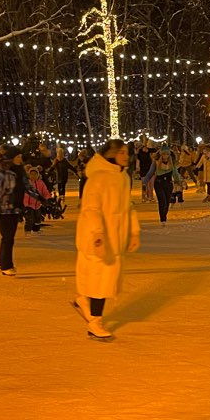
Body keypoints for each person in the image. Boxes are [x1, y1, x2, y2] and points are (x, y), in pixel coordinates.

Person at [72, 139, 140, 341]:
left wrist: (134, 232)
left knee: (103, 279)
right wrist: (98, 235)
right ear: (111, 155)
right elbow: (91, 209)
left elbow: (127, 207)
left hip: (115, 237)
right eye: (122, 153)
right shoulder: (98, 178)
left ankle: (84, 300)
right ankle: (95, 321)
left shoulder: (123, 178)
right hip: (97, 238)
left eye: (127, 153)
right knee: (101, 280)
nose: (126, 157)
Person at [0, 146, 30, 276]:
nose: (20, 159)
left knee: (9, 237)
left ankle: (3, 262)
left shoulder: (19, 171)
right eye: (18, 157)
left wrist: (42, 198)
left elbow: (27, 186)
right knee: (8, 237)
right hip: (2, 209)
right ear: (11, 158)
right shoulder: (0, 172)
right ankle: (6, 265)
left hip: (15, 208)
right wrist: (6, 194)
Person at [147, 146, 178, 224]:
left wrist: (178, 180)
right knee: (162, 200)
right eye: (164, 154)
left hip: (168, 183)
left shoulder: (172, 162)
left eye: (167, 154)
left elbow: (175, 172)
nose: (165, 156)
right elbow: (150, 172)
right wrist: (145, 181)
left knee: (167, 201)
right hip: (159, 183)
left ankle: (164, 215)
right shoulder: (156, 162)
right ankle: (162, 218)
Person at [23, 165, 51, 236]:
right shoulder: (27, 184)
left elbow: (45, 191)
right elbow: (25, 194)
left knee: (38, 218)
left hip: (37, 204)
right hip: (29, 204)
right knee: (29, 218)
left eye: (35, 174)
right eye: (31, 174)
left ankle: (36, 230)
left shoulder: (40, 183)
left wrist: (47, 198)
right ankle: (28, 230)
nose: (33, 176)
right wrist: (25, 203)